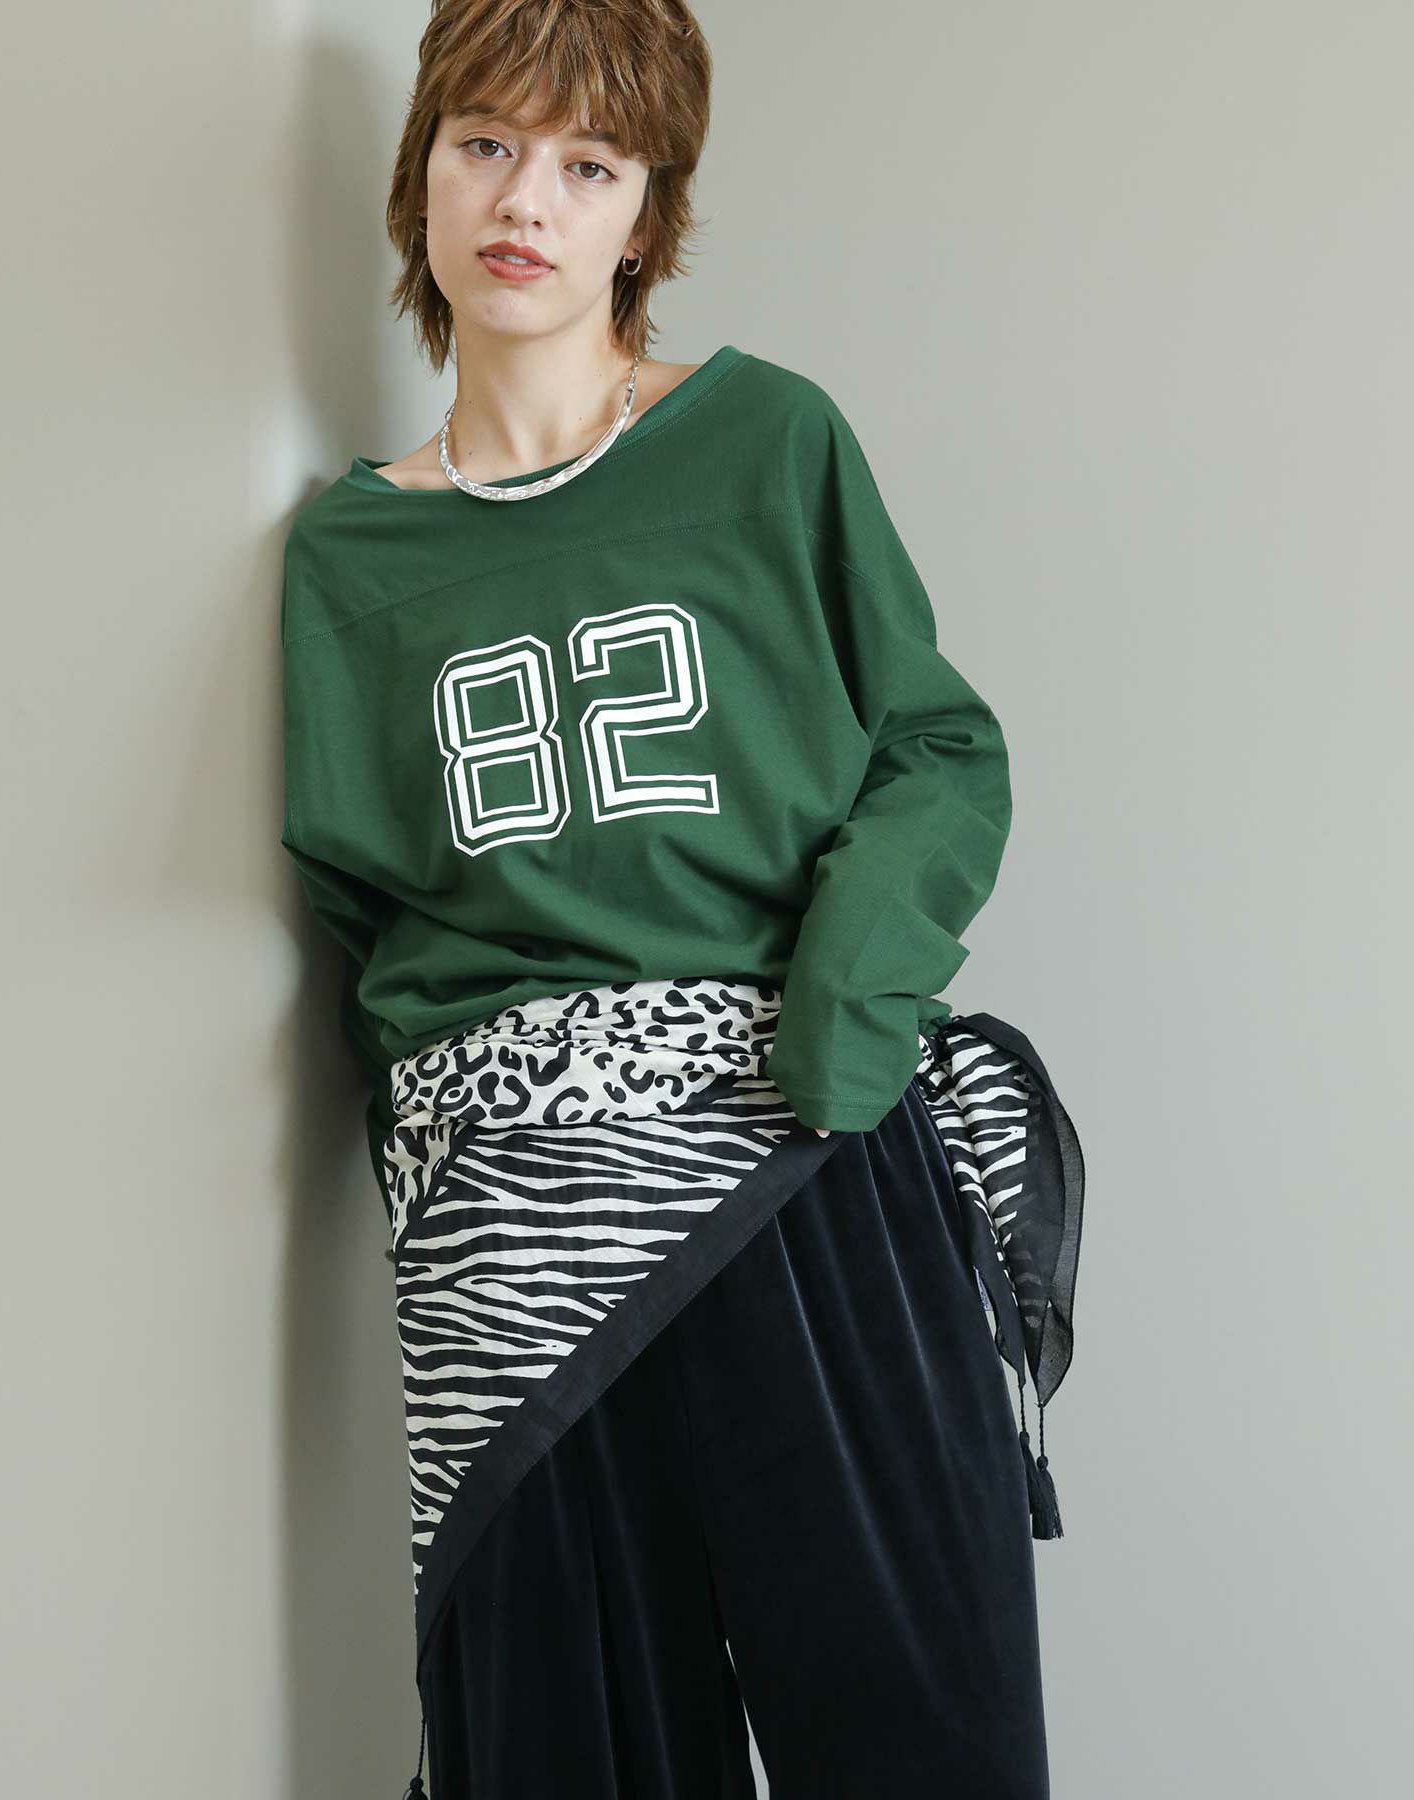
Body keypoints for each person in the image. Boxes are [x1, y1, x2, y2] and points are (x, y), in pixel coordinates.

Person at [280, 3, 1080, 1796]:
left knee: (925, 1741)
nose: (526, 203)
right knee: (568, 1758)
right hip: (514, 1248)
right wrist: (453, 1157)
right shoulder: (344, 557)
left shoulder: (766, 440)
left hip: (798, 1154)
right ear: (423, 170)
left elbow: (938, 750)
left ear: (647, 215)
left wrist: (843, 1014)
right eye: (486, 145)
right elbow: (356, 910)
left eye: (589, 166)